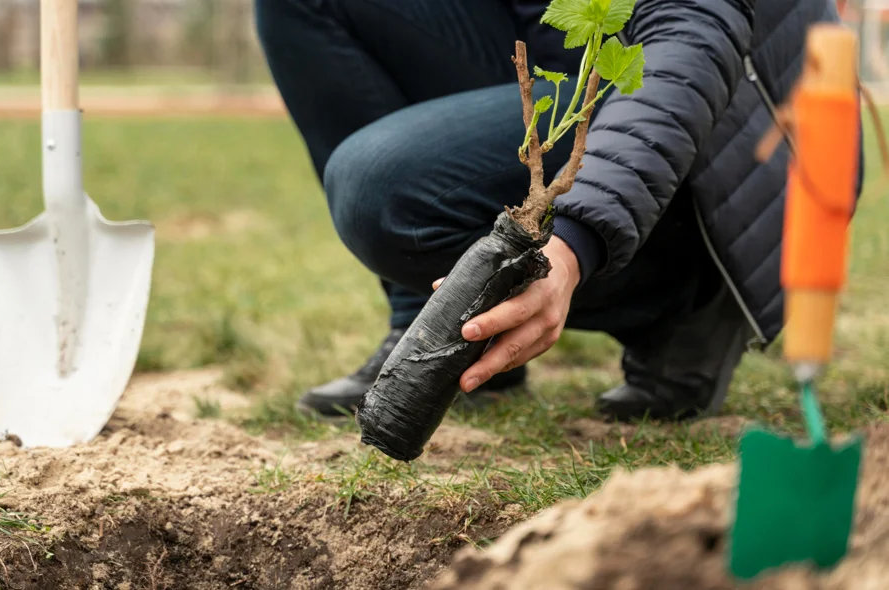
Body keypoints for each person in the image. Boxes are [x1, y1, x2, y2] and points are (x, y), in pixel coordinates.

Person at [253, 0, 864, 422]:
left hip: (724, 144)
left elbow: (689, 38)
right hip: (579, 68)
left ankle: (690, 305)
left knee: (379, 186)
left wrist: (573, 241)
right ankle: (442, 327)